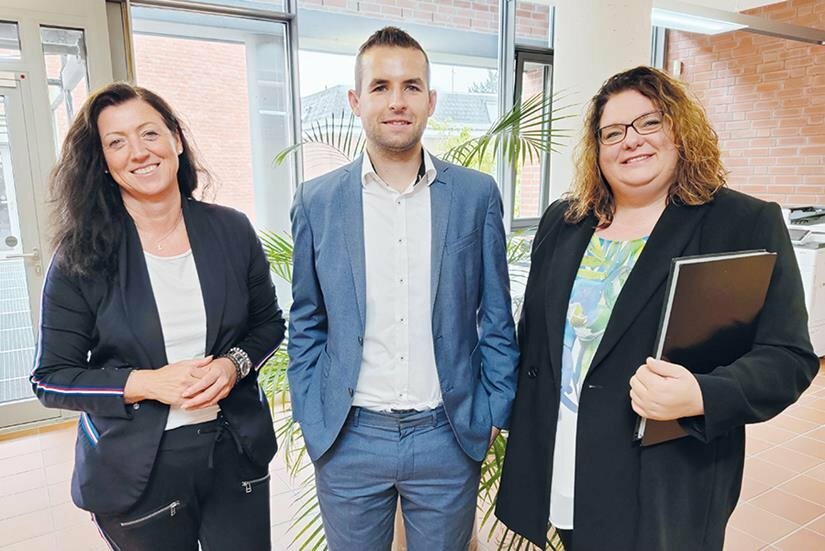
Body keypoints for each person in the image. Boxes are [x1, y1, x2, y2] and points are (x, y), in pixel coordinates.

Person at [495, 66, 819, 551]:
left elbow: (789, 357)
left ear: (679, 129)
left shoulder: (742, 223)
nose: (631, 141)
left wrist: (704, 395)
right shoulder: (564, 222)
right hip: (562, 460)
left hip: (662, 481)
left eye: (650, 123)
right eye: (613, 132)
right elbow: (536, 341)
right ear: (597, 148)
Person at [288, 27, 519, 550]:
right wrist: (310, 409)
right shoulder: (316, 201)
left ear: (431, 100)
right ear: (355, 100)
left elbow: (497, 315)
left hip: (447, 434)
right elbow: (306, 318)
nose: (397, 101)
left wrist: (494, 410)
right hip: (349, 438)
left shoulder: (475, 196)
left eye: (411, 86)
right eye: (380, 86)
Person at [31, 83, 285, 551]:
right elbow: (51, 378)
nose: (138, 152)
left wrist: (234, 364)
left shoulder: (231, 229)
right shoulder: (82, 256)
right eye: (117, 142)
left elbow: (269, 325)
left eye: (149, 133)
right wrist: (148, 383)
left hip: (234, 450)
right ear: (103, 163)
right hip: (139, 467)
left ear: (176, 140)